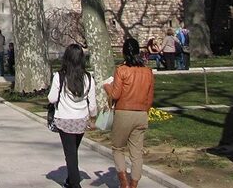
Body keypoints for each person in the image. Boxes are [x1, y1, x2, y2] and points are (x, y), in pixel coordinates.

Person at [104, 38, 155, 188]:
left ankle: (124, 184)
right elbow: (150, 97)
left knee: (118, 148)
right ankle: (133, 185)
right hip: (141, 114)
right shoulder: (148, 72)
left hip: (124, 112)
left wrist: (107, 86)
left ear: (123, 52)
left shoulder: (122, 70)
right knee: (137, 154)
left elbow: (115, 95)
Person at [48, 44, 98, 188]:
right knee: (72, 151)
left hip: (64, 119)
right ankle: (71, 179)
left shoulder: (60, 76)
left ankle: (74, 183)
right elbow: (92, 103)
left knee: (70, 154)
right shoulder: (88, 78)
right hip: (81, 120)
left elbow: (51, 98)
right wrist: (93, 117)